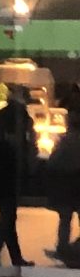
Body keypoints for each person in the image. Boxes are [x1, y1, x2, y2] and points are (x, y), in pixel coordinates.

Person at [0, 92, 31, 271]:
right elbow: (24, 145)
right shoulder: (17, 119)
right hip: (9, 174)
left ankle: (15, 257)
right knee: (7, 217)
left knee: (9, 217)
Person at [49, 112, 80, 265]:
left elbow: (53, 161)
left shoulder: (65, 141)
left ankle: (63, 248)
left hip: (66, 183)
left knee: (65, 218)